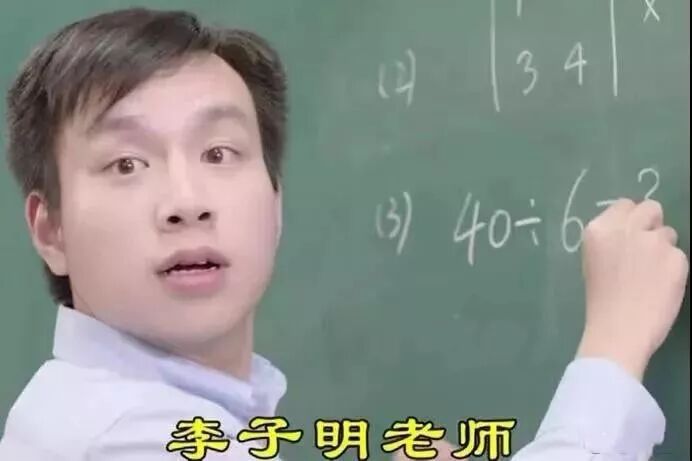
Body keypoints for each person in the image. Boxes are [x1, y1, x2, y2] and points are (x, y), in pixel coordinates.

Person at [0, 7, 688, 461]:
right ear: (49, 229)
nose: (186, 202)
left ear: (275, 202)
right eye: (127, 164)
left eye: (219, 153)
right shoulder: (120, 436)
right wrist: (614, 345)